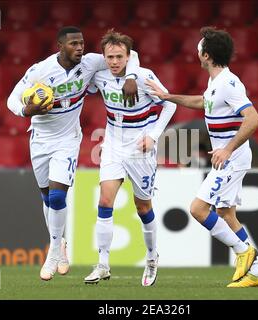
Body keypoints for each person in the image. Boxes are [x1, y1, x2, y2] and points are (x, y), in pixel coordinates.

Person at [7, 26, 140, 281]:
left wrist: (131, 76)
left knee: (58, 197)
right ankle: (60, 244)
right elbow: (12, 99)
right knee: (47, 198)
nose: (80, 47)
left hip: (68, 140)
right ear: (60, 45)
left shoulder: (90, 63)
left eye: (81, 43)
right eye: (74, 44)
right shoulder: (40, 71)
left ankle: (53, 253)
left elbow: (128, 54)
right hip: (40, 140)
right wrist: (27, 111)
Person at [146, 26, 258, 287]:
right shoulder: (216, 82)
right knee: (226, 213)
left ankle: (244, 252)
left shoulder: (229, 83)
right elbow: (203, 102)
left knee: (198, 209)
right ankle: (256, 273)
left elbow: (254, 119)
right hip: (228, 158)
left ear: (207, 55)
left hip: (230, 159)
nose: (196, 51)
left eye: (200, 48)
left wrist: (227, 148)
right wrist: (169, 97)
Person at [83, 30, 176, 287]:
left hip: (140, 148)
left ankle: (151, 257)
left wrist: (154, 136)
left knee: (142, 206)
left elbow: (170, 104)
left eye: (119, 57)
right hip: (112, 144)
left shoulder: (144, 76)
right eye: (110, 57)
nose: (114, 62)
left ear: (128, 56)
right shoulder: (100, 76)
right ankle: (102, 264)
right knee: (104, 200)